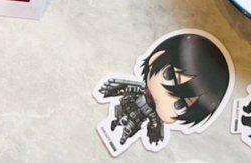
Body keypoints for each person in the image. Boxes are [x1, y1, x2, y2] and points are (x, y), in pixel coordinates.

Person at [96, 32, 233, 149]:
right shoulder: (138, 89)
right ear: (156, 58)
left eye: (180, 105)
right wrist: (113, 90)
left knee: (129, 128)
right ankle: (116, 124)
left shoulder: (153, 115)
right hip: (127, 109)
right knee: (121, 119)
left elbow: (154, 122)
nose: (166, 98)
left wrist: (154, 130)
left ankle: (123, 136)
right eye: (169, 76)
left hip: (137, 122)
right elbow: (125, 89)